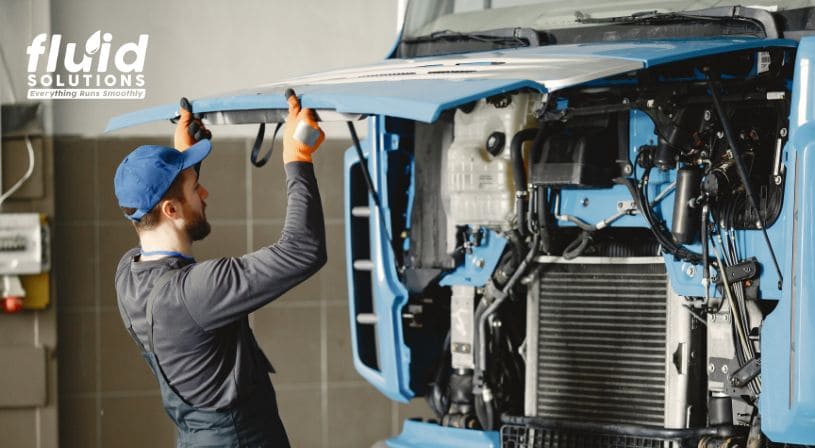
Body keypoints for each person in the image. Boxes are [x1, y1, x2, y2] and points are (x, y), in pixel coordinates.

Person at [112, 91, 326, 447]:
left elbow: (169, 222)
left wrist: (183, 162)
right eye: (196, 188)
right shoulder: (197, 291)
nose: (205, 192)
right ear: (170, 211)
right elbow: (303, 250)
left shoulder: (129, 274)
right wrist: (297, 158)